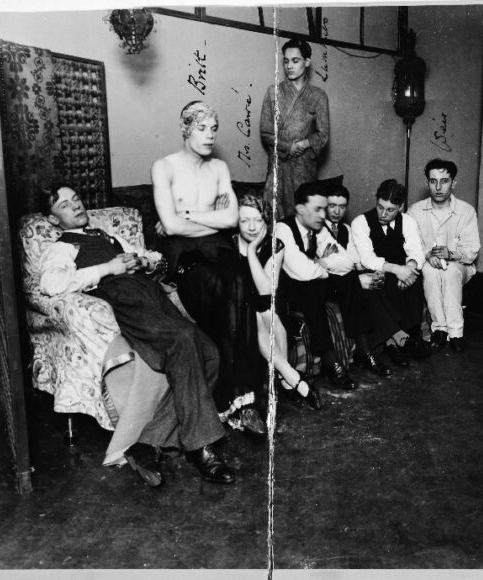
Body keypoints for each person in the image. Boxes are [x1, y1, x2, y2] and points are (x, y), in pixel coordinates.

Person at [38, 184, 235, 485]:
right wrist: (109, 267)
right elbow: (52, 284)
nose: (75, 205)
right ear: (53, 220)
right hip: (125, 299)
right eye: (64, 205)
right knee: (183, 338)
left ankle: (145, 442)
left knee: (210, 354)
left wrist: (143, 262)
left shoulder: (107, 235)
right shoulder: (62, 247)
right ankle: (201, 448)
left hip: (152, 294)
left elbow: (155, 258)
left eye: (76, 199)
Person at [151, 101, 267, 436]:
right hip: (184, 256)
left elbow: (231, 219)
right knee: (229, 289)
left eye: (214, 128)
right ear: (185, 128)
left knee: (241, 281)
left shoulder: (218, 168)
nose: (210, 135)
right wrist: (200, 221)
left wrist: (188, 215)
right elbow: (171, 229)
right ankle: (239, 405)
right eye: (202, 128)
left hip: (218, 248)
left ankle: (238, 404)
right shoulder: (165, 167)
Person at [234, 193, 321, 410]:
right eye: (245, 220)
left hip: (268, 302)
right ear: (236, 222)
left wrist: (252, 252)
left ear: (266, 221)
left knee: (267, 312)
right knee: (256, 314)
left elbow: (265, 289)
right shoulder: (229, 244)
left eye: (258, 220)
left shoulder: (275, 245)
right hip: (239, 305)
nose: (252, 227)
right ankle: (292, 378)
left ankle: (287, 379)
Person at [274, 182, 360, 391]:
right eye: (317, 209)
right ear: (301, 209)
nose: (323, 215)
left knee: (350, 278)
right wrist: (321, 264)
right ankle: (330, 360)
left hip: (313, 283)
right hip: (287, 290)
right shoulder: (283, 228)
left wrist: (321, 264)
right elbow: (300, 271)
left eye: (324, 209)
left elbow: (346, 262)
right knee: (313, 286)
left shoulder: (317, 228)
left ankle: (364, 348)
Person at [325, 185, 415, 375]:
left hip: (344, 277)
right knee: (359, 284)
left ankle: (378, 347)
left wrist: (360, 271)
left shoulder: (345, 229)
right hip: (327, 282)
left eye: (342, 207)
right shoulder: (318, 230)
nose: (336, 211)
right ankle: (394, 337)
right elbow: (329, 264)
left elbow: (355, 261)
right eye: (332, 205)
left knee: (373, 281)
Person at [350, 179, 431, 365]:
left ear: (400, 207)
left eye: (390, 210)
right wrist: (397, 270)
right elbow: (367, 258)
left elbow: (416, 252)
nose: (383, 214)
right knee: (386, 282)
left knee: (416, 280)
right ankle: (395, 343)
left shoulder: (408, 221)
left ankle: (410, 335)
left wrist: (409, 269)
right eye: (380, 207)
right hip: (379, 270)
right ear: (376, 200)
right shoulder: (360, 223)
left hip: (402, 270)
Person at [408, 159, 480, 352]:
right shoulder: (415, 211)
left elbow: (472, 250)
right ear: (427, 183)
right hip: (429, 264)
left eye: (444, 181)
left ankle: (456, 332)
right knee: (430, 273)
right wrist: (426, 254)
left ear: (453, 183)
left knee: (449, 273)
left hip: (459, 265)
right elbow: (410, 243)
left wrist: (451, 254)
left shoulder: (466, 211)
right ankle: (439, 328)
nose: (438, 187)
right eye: (433, 181)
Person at [260, 38, 330, 218]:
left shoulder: (318, 96)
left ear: (306, 62)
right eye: (286, 61)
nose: (289, 66)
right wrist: (288, 147)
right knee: (274, 215)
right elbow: (266, 132)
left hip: (303, 167)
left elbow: (323, 135)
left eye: (295, 61)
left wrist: (305, 143)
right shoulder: (272, 92)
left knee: (301, 215)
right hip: (278, 165)